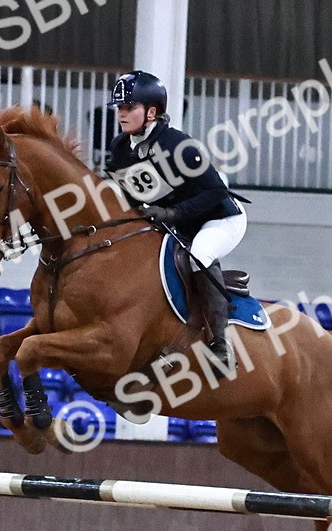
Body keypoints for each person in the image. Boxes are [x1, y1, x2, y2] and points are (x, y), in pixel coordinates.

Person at [105, 70, 247, 370]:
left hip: (219, 218)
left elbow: (215, 191)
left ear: (151, 112)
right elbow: (130, 194)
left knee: (200, 254)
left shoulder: (177, 145)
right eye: (119, 108)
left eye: (129, 107)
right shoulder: (120, 148)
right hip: (177, 223)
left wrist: (172, 214)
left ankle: (220, 345)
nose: (121, 114)